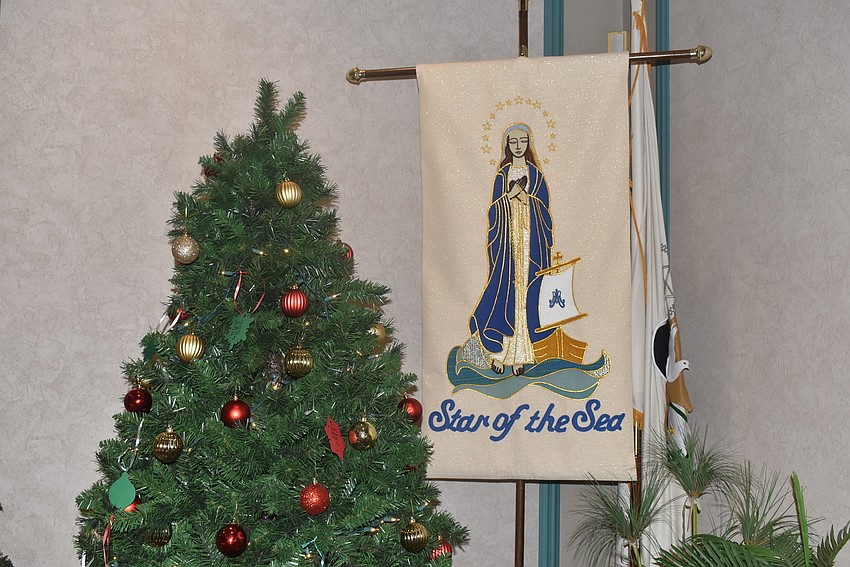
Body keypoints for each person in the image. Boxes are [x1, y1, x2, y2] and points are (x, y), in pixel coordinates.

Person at [469, 123, 556, 375]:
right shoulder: (502, 174)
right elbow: (494, 210)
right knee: (504, 295)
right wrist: (508, 197)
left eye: (523, 141)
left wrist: (525, 198)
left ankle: (520, 356)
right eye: (513, 142)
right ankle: (499, 355)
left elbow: (544, 210)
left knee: (524, 299)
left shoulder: (536, 175)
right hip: (508, 247)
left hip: (530, 243)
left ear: (529, 144)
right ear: (506, 145)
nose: (518, 146)